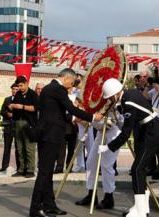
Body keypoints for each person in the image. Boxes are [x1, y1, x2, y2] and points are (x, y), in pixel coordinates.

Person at [29, 68, 103, 217]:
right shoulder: (58, 89)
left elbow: (59, 113)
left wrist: (74, 119)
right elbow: (71, 109)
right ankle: (35, 209)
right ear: (68, 79)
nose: (73, 85)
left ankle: (49, 206)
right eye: (73, 82)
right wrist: (93, 117)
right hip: (50, 136)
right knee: (44, 173)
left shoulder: (49, 89)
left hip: (47, 135)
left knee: (47, 171)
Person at [98, 78, 159, 217]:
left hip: (152, 133)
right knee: (139, 170)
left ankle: (141, 212)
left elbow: (125, 133)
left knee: (137, 170)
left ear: (115, 94)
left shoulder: (127, 102)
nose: (110, 100)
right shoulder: (130, 94)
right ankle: (141, 208)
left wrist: (108, 147)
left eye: (110, 97)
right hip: (149, 130)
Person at [76, 109, 123, 210]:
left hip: (113, 131)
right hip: (101, 131)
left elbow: (114, 118)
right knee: (90, 162)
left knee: (106, 165)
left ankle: (108, 197)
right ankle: (91, 194)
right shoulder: (87, 103)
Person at [10, 76, 38, 178]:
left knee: (29, 147)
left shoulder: (33, 94)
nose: (20, 87)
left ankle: (30, 169)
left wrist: (21, 106)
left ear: (26, 83)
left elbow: (35, 108)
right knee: (19, 147)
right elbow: (14, 105)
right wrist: (12, 106)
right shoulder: (18, 94)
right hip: (18, 122)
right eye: (18, 86)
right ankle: (21, 169)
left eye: (21, 85)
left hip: (29, 123)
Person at [54, 87, 78, 174]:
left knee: (71, 149)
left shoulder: (74, 101)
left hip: (73, 128)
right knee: (61, 149)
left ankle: (69, 167)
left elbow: (76, 113)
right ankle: (59, 167)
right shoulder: (61, 102)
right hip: (62, 128)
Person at [0, 83, 20, 172]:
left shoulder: (21, 100)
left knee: (18, 148)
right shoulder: (7, 99)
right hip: (8, 126)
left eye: (16, 89)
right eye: (13, 89)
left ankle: (19, 167)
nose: (14, 91)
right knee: (6, 147)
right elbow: (1, 111)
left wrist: (14, 114)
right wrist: (7, 113)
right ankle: (4, 166)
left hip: (17, 127)